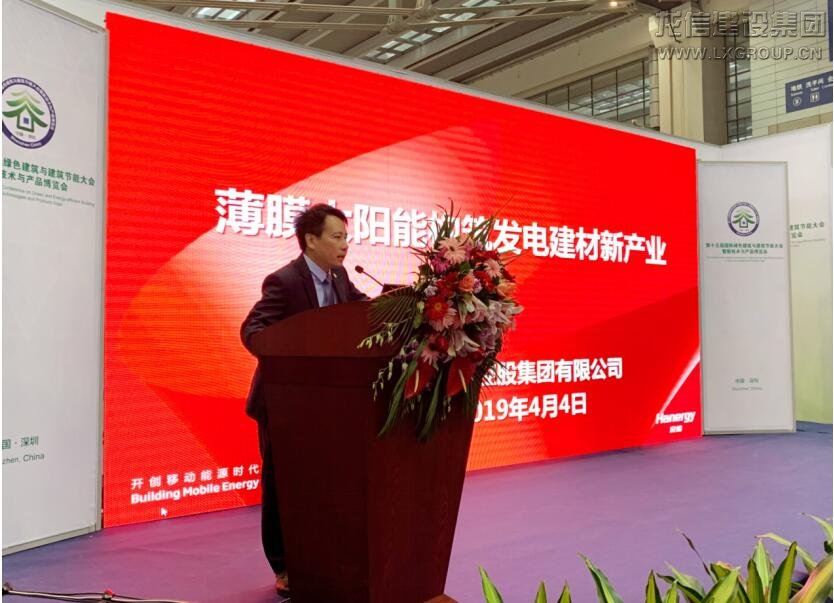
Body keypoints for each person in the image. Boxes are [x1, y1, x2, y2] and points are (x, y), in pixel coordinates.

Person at [240, 204, 369, 595]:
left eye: (346, 237)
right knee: (283, 487)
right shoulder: (283, 282)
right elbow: (253, 330)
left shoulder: (340, 276)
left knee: (324, 485)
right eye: (337, 237)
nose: (345, 245)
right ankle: (284, 565)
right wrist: (291, 361)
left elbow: (361, 309)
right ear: (311, 240)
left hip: (328, 406)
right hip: (284, 406)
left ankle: (321, 556)